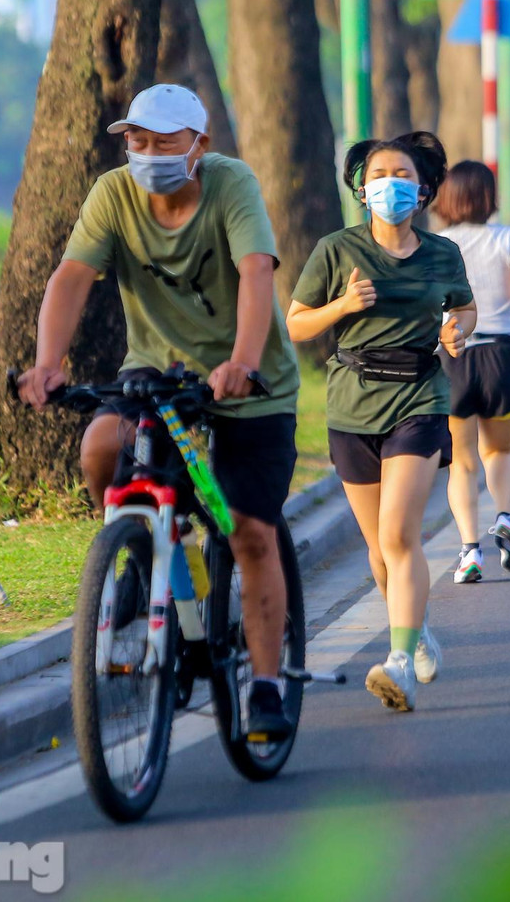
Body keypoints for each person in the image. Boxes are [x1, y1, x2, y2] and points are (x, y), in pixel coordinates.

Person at [16, 85, 302, 739]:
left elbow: (257, 271)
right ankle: (141, 559)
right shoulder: (113, 193)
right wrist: (48, 362)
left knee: (250, 531)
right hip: (156, 369)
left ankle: (264, 684)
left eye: (163, 142)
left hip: (249, 378)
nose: (146, 153)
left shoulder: (231, 185)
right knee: (99, 450)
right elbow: (70, 278)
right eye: (136, 140)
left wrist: (243, 362)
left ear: (199, 146)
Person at [286, 132, 477, 712]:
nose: (389, 183)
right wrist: (343, 306)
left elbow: (463, 305)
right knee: (377, 548)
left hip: (419, 397)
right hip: (351, 405)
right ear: (361, 189)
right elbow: (296, 325)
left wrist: (457, 329)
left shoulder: (442, 252)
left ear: (421, 190)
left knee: (400, 534)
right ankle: (414, 631)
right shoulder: (336, 250)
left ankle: (399, 663)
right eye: (378, 174)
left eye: (401, 174)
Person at [431, 161, 510, 585]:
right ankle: (506, 519)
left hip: (453, 355)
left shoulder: (436, 242)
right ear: (489, 197)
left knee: (462, 462)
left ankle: (468, 551)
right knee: (500, 453)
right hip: (502, 355)